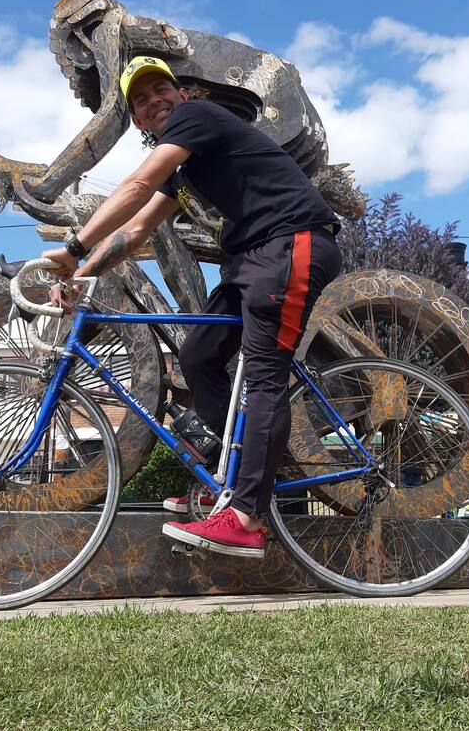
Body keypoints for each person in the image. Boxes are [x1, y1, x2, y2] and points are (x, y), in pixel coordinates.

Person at [40, 55, 341, 558]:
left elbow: (135, 186)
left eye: (162, 90)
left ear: (182, 97)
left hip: (292, 244)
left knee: (265, 374)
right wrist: (83, 275)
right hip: (252, 259)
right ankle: (231, 480)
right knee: (198, 354)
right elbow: (136, 229)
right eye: (141, 99)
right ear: (136, 118)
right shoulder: (185, 167)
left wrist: (72, 250)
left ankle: (244, 517)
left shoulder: (196, 119)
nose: (154, 101)